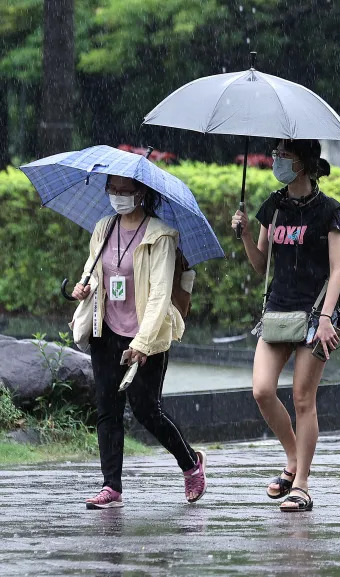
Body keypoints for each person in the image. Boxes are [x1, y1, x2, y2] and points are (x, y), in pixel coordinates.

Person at [72, 175, 207, 509]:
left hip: (147, 334)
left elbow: (161, 291)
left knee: (147, 410)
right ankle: (111, 486)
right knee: (107, 409)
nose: (117, 197)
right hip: (106, 330)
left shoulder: (161, 235)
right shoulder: (103, 228)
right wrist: (82, 287)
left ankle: (190, 464)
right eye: (112, 190)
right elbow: (93, 269)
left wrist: (143, 342)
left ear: (141, 193)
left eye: (124, 191)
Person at [231, 139, 340, 513]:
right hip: (278, 312)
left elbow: (338, 270)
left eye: (283, 155)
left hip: (315, 316)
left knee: (302, 398)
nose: (276, 160)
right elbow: (260, 265)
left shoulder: (329, 210)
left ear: (303, 162)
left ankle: (302, 483)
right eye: (276, 154)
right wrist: (246, 233)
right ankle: (293, 458)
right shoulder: (274, 206)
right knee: (262, 391)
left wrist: (327, 317)